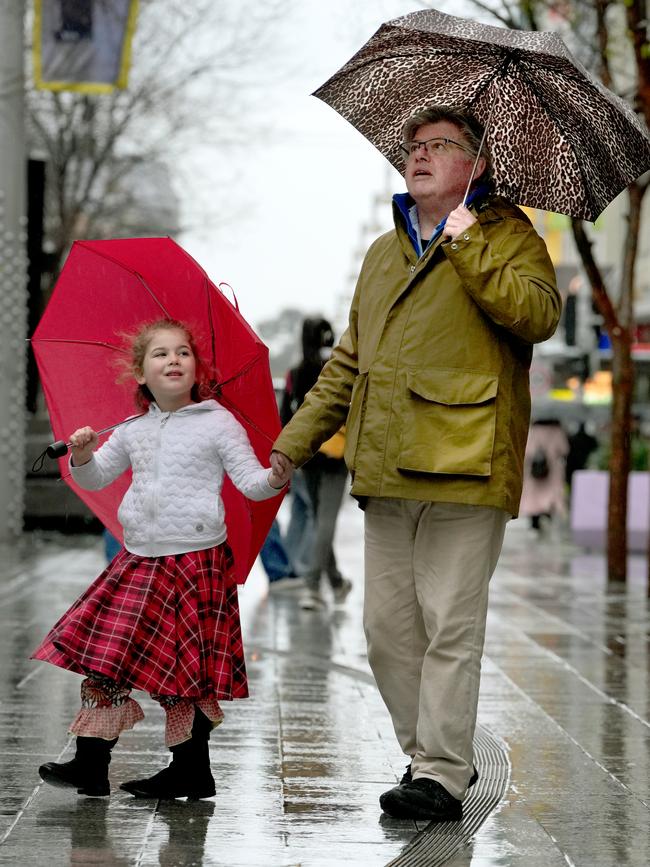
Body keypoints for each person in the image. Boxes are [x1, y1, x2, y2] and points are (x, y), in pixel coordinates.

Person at [271, 106, 561, 821]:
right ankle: (427, 750)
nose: (418, 156)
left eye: (439, 146)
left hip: (467, 462)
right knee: (385, 632)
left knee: (450, 625)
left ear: (478, 163)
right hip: (387, 463)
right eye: (413, 146)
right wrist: (291, 444)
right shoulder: (382, 252)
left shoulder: (509, 235)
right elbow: (347, 365)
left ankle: (439, 770)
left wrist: (470, 247)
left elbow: (537, 316)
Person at [32, 318, 289, 799]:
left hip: (193, 562)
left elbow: (251, 482)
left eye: (183, 353)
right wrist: (83, 456)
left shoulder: (218, 422)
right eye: (160, 354)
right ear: (141, 374)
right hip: (139, 559)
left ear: (197, 369)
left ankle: (191, 770)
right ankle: (90, 763)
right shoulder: (132, 429)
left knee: (185, 673)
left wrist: (274, 477)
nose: (173, 360)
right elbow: (95, 479)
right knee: (106, 659)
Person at [280, 317, 352, 610]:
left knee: (319, 517)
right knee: (325, 521)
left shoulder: (295, 373)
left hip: (307, 456)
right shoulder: (337, 371)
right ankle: (313, 586)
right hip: (337, 455)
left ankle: (335, 582)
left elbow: (286, 413)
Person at [520, 418, 569, 531]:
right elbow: (564, 450)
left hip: (534, 471)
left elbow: (527, 451)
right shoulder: (557, 430)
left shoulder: (533, 430)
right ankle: (548, 514)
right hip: (553, 470)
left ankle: (535, 521)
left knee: (534, 496)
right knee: (550, 494)